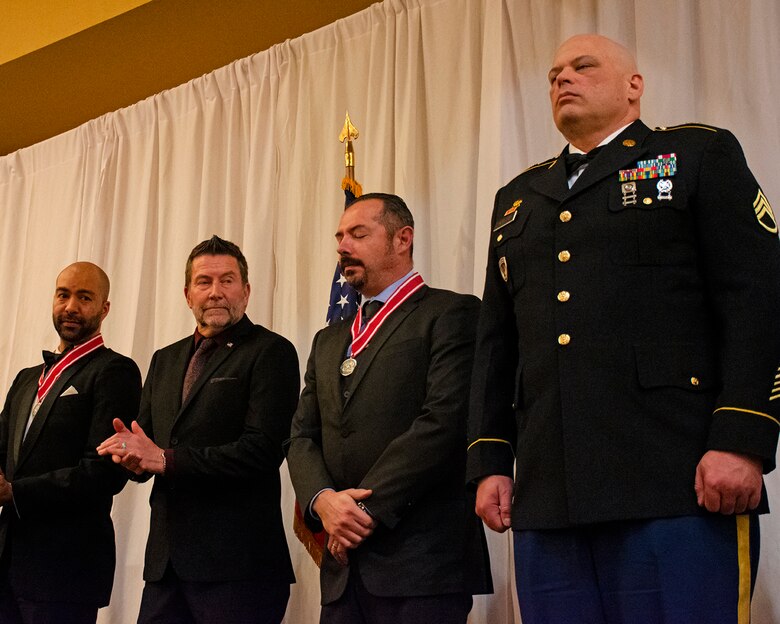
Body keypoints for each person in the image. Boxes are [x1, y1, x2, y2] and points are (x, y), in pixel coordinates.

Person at [467, 33, 780, 623]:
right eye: (555, 72)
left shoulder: (696, 156)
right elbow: (497, 343)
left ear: (634, 87)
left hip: (675, 481)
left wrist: (741, 436)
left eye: (583, 66)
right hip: (549, 493)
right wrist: (489, 460)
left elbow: (756, 299)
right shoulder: (518, 199)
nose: (564, 78)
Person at [286, 192, 492, 624]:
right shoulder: (328, 340)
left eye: (358, 234)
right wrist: (323, 502)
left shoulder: (451, 313)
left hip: (422, 564)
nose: (343, 246)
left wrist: (359, 513)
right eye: (339, 236)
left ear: (403, 239)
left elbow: (443, 423)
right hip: (343, 573)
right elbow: (302, 436)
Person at [97, 236, 299, 624]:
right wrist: (133, 459)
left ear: (247, 290)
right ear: (187, 294)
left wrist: (165, 460)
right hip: (165, 567)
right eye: (204, 282)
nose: (216, 292)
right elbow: (151, 444)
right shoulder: (165, 359)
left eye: (228, 280)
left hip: (240, 569)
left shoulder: (271, 351)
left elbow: (263, 450)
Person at [0, 262, 142, 623]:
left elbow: (103, 474)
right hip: (7, 563)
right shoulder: (25, 378)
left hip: (66, 570)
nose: (70, 306)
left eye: (84, 297)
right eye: (63, 295)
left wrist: (14, 492)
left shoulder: (116, 371)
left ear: (105, 308)